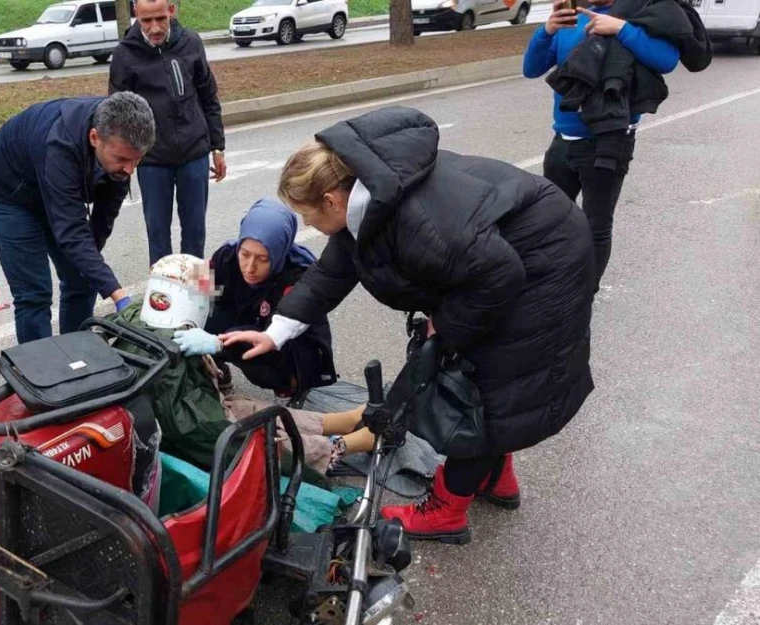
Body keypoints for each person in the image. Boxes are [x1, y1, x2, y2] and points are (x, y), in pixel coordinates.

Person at [223, 106, 597, 545]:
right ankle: (494, 477)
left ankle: (446, 510)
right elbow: (332, 272)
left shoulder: (417, 222)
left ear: (331, 200)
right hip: (509, 252)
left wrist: (446, 329)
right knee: (486, 384)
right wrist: (274, 332)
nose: (310, 226)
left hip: (539, 267)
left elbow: (498, 276)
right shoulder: (371, 194)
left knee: (482, 390)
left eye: (308, 217)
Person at [113, 254, 374, 480]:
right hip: (190, 429)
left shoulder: (139, 315)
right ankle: (342, 446)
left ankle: (344, 421)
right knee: (253, 439)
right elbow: (208, 432)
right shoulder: (172, 355)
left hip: (178, 412)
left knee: (241, 406)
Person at [524, 0, 710, 292]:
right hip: (563, 139)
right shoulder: (573, 19)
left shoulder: (639, 14)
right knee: (550, 219)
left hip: (609, 139)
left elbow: (667, 60)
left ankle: (583, 295)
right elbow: (531, 69)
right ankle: (552, 281)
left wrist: (622, 29)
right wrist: (546, 31)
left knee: (595, 224)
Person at [0, 93, 155, 343]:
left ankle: (75, 354)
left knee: (84, 277)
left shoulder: (119, 143)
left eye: (137, 159)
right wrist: (118, 294)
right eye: (122, 159)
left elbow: (102, 222)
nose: (130, 169)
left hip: (54, 189)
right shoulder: (60, 144)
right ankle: (40, 373)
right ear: (94, 138)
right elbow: (71, 232)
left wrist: (91, 264)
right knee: (34, 294)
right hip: (9, 195)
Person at [170, 198, 338, 400]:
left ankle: (289, 383)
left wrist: (218, 343)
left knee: (244, 345)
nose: (250, 267)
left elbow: (275, 335)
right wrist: (177, 283)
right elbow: (198, 288)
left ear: (280, 251)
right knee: (198, 309)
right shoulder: (227, 254)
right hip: (249, 319)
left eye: (263, 259)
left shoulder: (300, 276)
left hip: (288, 346)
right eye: (245, 254)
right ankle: (215, 367)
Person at [109, 0, 227, 267]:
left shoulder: (192, 43)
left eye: (161, 18)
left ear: (172, 11)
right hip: (152, 160)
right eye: (146, 21)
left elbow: (208, 96)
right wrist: (126, 158)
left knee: (195, 233)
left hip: (194, 153)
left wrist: (217, 147)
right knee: (158, 237)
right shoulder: (124, 55)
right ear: (135, 14)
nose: (155, 28)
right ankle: (164, 302)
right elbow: (117, 111)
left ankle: (195, 299)